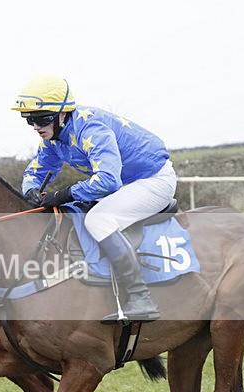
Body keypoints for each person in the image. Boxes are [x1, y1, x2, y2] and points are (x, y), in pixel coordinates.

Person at [11, 74, 176, 323]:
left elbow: (109, 180)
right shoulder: (54, 137)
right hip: (126, 185)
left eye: (41, 118)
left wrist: (63, 193)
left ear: (63, 114)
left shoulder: (91, 128)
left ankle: (141, 298)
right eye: (29, 120)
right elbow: (37, 170)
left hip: (152, 179)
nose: (36, 126)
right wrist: (31, 190)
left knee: (98, 220)